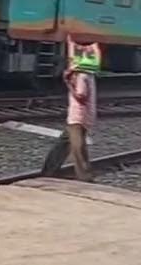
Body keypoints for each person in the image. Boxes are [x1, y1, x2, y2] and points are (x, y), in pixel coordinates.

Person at [42, 36, 99, 183]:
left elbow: (80, 95)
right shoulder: (88, 74)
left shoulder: (81, 75)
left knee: (75, 146)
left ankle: (81, 176)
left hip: (78, 116)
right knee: (69, 144)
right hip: (83, 116)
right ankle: (51, 171)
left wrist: (67, 82)